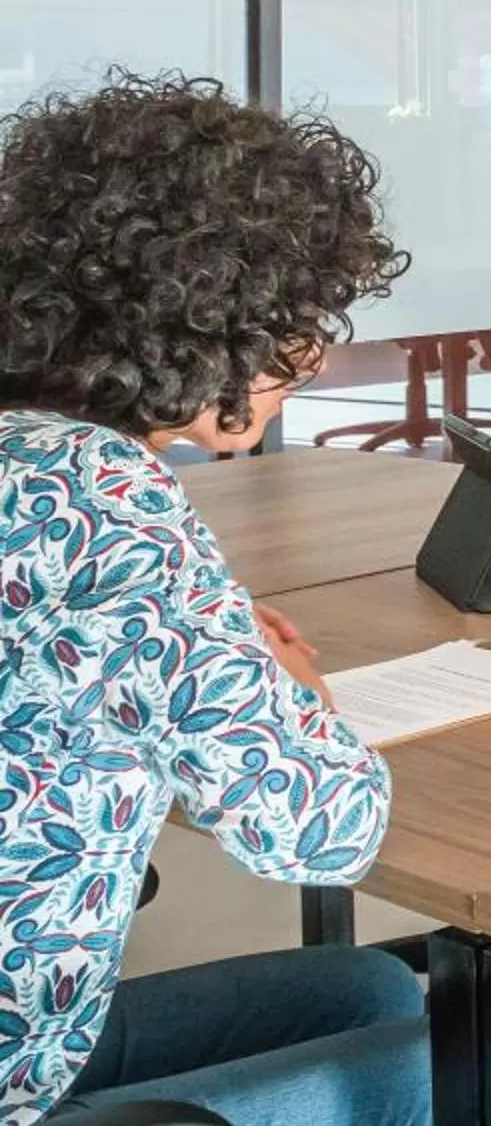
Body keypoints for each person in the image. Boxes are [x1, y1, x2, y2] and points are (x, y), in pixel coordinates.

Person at [0, 76, 427, 1125]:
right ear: (198, 319)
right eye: (294, 319)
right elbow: (318, 830)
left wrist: (202, 644)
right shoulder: (95, 490)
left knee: (369, 992)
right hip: (16, 1071)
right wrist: (296, 686)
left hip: (33, 1026)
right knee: (420, 1060)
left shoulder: (26, 452)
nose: (312, 354)